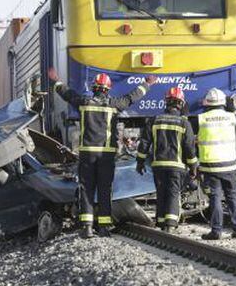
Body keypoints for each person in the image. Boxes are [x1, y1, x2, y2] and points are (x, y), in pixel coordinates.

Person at [49, 68, 156, 238]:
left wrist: (56, 81)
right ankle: (104, 228)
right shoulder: (114, 104)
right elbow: (131, 98)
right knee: (105, 189)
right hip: (106, 154)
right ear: (107, 90)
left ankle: (87, 227)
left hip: (87, 154)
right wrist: (147, 84)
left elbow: (67, 94)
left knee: (86, 189)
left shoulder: (84, 102)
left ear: (94, 89)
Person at [136, 87, 198, 233]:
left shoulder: (155, 120)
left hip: (158, 165)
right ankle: (170, 224)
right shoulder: (184, 124)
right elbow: (189, 147)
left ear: (166, 102)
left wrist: (140, 162)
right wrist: (193, 165)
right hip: (176, 166)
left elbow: (144, 143)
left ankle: (161, 221)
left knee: (161, 192)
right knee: (173, 193)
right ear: (181, 104)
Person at [196, 88, 236, 240]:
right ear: (223, 103)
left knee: (215, 197)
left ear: (208, 103)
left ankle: (216, 231)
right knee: (232, 196)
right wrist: (235, 109)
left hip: (210, 166)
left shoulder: (202, 118)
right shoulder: (230, 117)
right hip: (229, 165)